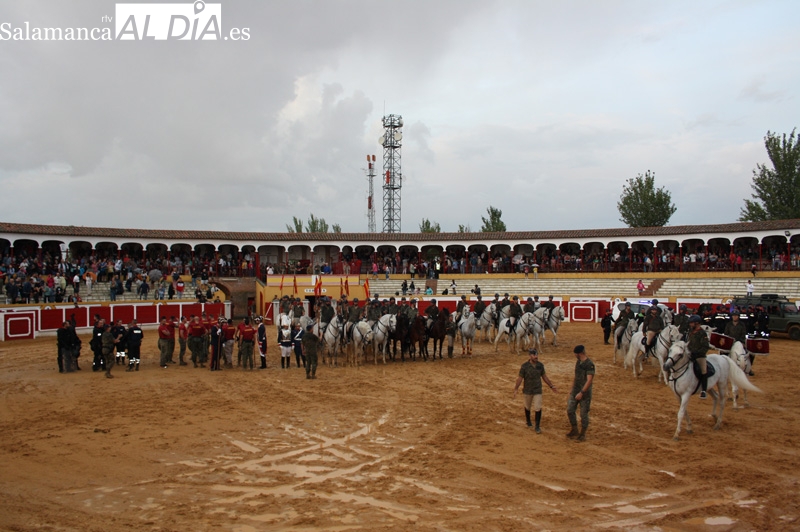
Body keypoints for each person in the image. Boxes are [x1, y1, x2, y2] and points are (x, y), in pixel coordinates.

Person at [514, 349, 558, 433]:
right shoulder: (524, 366)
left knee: (538, 407)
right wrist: (516, 388)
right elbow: (520, 378)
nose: (536, 356)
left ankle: (537, 426)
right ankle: (528, 421)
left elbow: (544, 376)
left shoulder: (540, 365)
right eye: (534, 355)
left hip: (537, 389)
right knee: (527, 406)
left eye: (537, 355)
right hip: (528, 390)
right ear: (530, 356)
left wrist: (551, 386)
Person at [566, 345, 594, 442]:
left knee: (583, 414)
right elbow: (576, 376)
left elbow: (589, 380)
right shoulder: (578, 362)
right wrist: (571, 389)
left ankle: (582, 434)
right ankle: (574, 429)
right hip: (576, 390)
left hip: (584, 393)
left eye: (575, 353)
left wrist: (582, 392)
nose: (574, 355)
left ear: (579, 353)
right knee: (570, 410)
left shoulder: (589, 364)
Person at [687, 314, 710, 398]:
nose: (690, 324)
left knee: (704, 371)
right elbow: (689, 343)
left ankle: (704, 390)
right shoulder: (691, 332)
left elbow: (705, 346)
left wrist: (697, 353)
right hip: (690, 353)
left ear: (697, 323)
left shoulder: (702, 333)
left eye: (691, 323)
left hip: (700, 355)